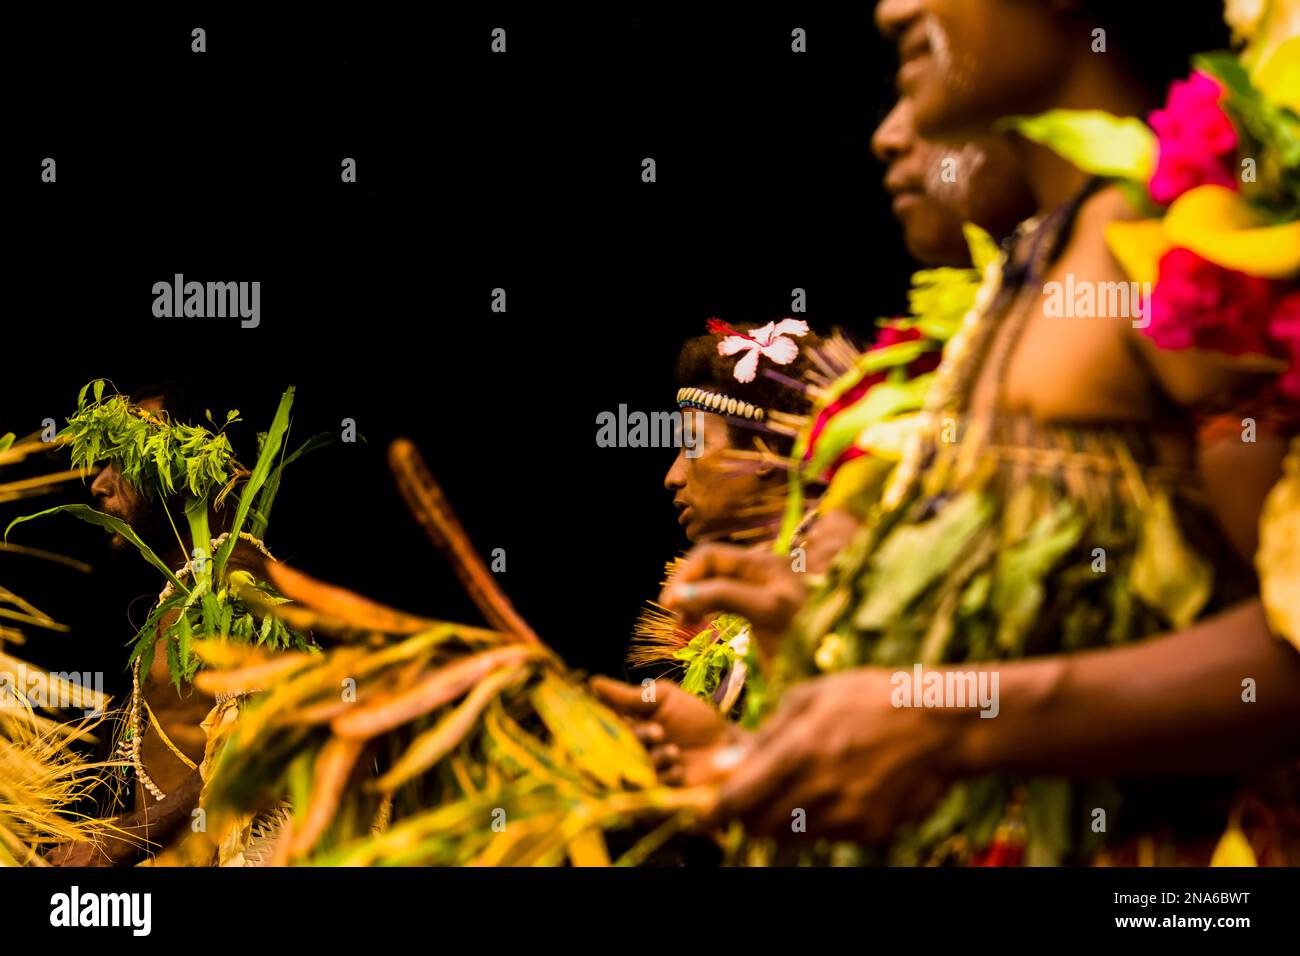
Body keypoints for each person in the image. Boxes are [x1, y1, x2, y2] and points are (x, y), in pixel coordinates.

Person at [603, 0, 1300, 865]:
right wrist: (777, 728)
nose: (893, 7)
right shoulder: (1031, 272)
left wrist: (945, 717)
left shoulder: (1191, 235)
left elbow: (1288, 649)